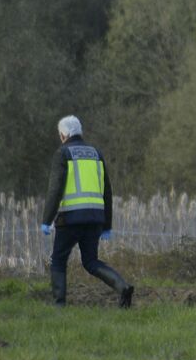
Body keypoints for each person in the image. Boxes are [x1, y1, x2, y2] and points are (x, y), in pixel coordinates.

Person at [41, 115, 134, 308]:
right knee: (91, 261)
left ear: (63, 134)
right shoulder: (96, 153)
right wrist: (107, 225)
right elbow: (107, 190)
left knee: (58, 260)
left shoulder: (62, 153)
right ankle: (122, 286)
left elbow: (55, 189)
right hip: (95, 218)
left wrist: (47, 219)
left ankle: (59, 305)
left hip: (70, 219)